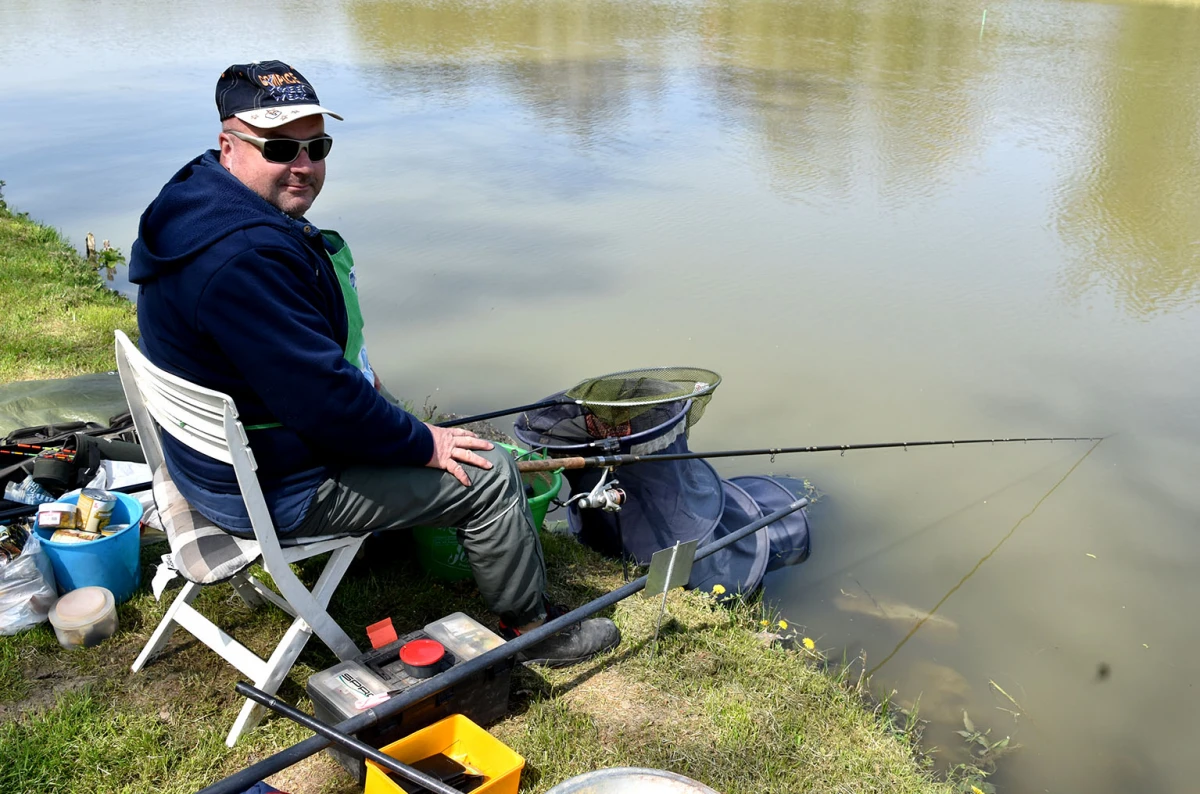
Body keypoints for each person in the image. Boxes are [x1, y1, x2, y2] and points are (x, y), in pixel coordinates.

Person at [128, 60, 619, 666]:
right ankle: (532, 631)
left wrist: (376, 404)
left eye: (316, 146)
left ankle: (384, 537)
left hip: (208, 462)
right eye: (280, 147)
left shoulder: (191, 200)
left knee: (390, 415)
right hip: (268, 488)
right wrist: (426, 444)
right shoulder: (243, 259)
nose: (303, 165)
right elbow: (327, 406)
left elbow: (310, 379)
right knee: (488, 470)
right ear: (230, 146)